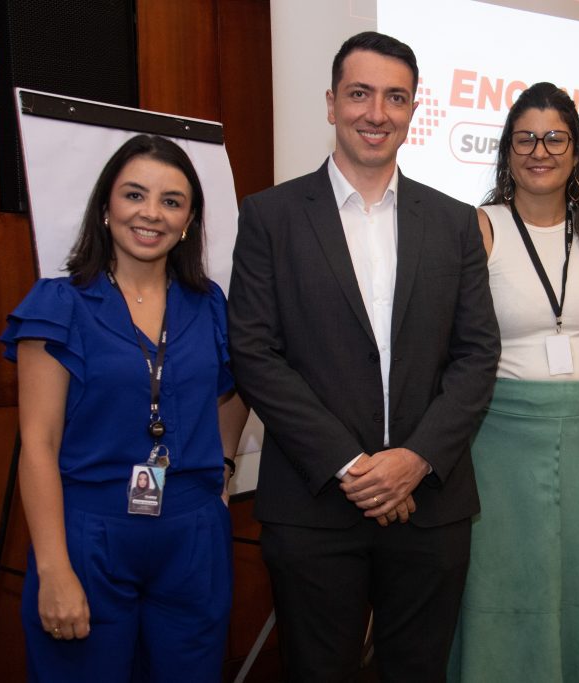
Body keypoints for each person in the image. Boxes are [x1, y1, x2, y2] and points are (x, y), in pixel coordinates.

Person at [227, 31, 500, 682]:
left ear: (413, 111)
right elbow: (254, 352)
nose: (376, 113)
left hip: (429, 503)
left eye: (395, 98)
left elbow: (476, 354)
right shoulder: (270, 216)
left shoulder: (455, 222)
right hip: (314, 502)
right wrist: (352, 466)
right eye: (359, 94)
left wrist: (414, 459)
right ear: (331, 103)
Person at [1, 134, 248, 682]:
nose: (151, 213)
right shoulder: (58, 304)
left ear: (189, 221)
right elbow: (38, 444)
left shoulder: (209, 303)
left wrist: (224, 471)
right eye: (134, 195)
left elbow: (232, 390)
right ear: (106, 207)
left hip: (193, 534)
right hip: (90, 535)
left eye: (171, 201)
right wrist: (54, 569)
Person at [447, 82, 579, 682]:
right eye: (525, 139)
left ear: (576, 152)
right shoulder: (481, 227)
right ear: (507, 151)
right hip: (500, 442)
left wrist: (578, 403)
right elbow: (455, 346)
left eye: (554, 138)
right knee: (502, 583)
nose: (539, 151)